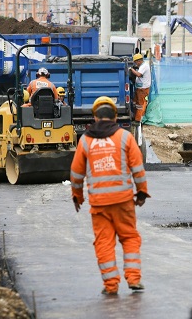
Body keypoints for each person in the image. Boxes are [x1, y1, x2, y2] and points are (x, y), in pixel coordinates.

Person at [70, 96, 150, 296]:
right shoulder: (124, 137)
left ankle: (111, 285)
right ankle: (133, 279)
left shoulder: (86, 140)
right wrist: (141, 192)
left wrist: (77, 197)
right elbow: (138, 168)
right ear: (115, 117)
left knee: (104, 243)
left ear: (95, 117)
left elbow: (76, 173)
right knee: (130, 237)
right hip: (123, 201)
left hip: (100, 205)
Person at [128, 53, 151, 124]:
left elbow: (138, 74)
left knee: (140, 105)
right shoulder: (142, 66)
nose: (135, 64)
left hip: (143, 89)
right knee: (137, 104)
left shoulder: (144, 66)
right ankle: (137, 117)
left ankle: (138, 120)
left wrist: (131, 69)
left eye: (135, 62)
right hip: (140, 88)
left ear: (139, 61)